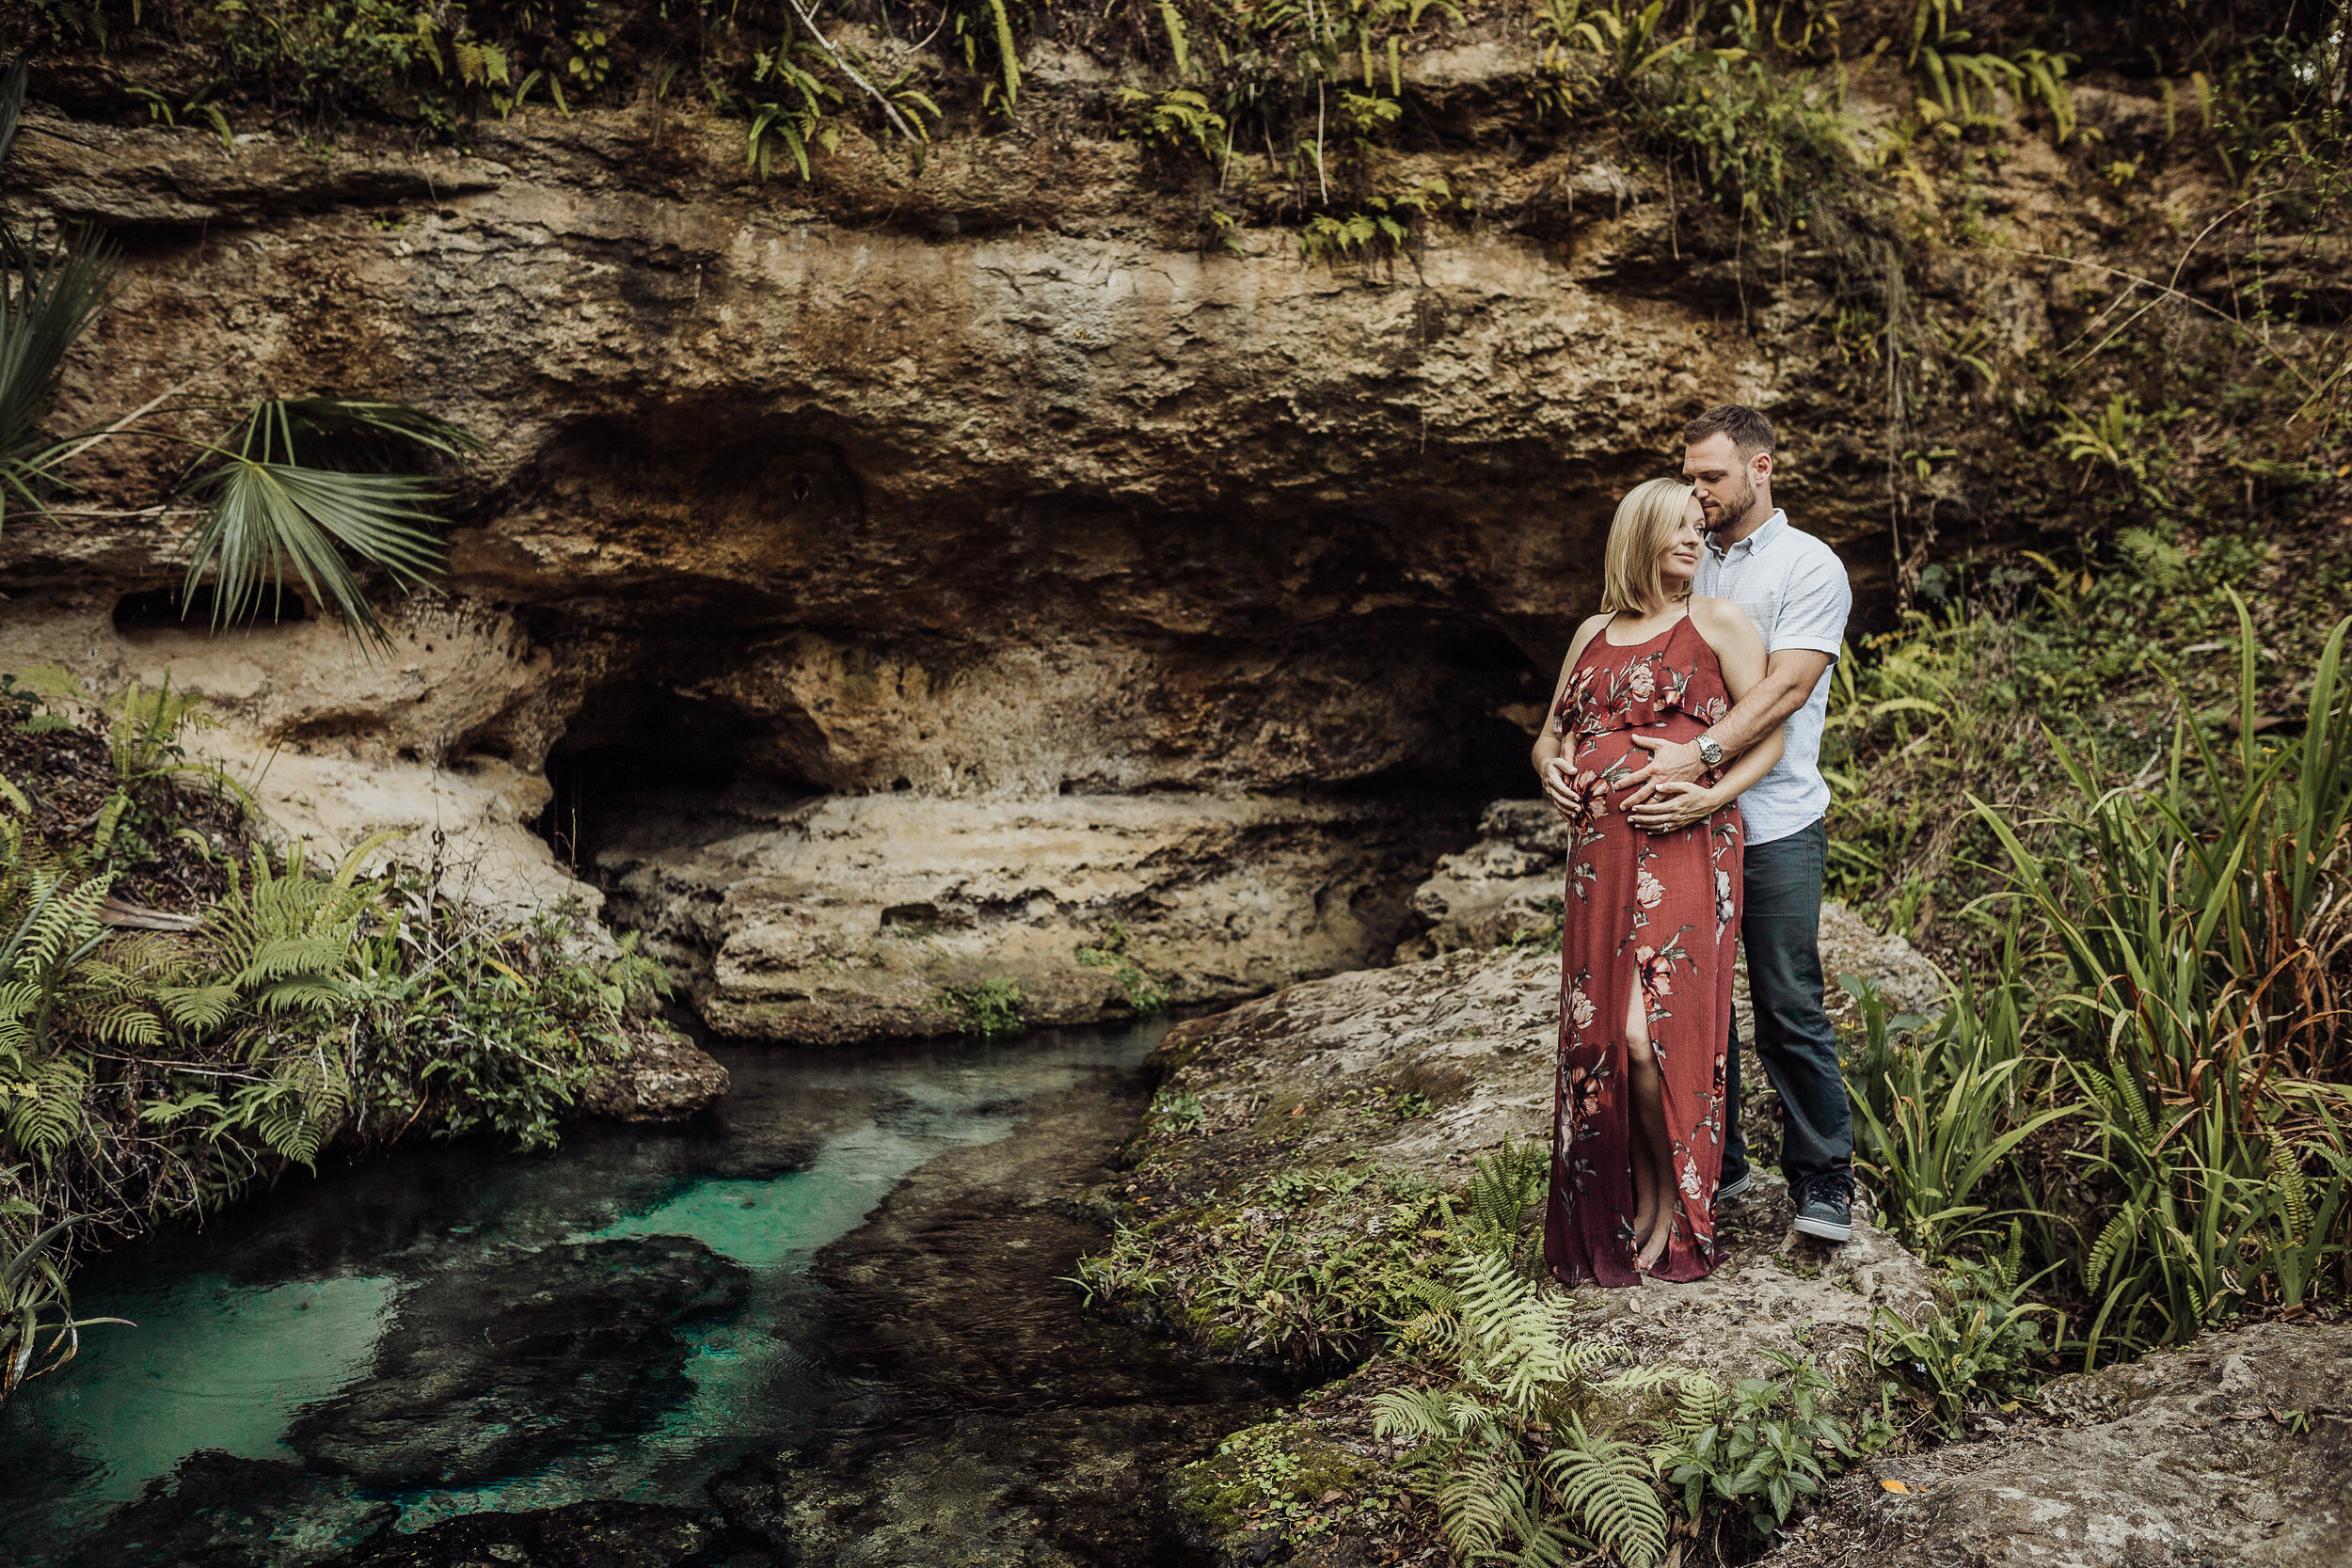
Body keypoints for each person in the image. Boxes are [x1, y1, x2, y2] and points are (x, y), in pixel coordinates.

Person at [1533, 478, 1782, 1284]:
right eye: (1676, 525)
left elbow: (1768, 739)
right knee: (1604, 1039)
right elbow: (1548, 739)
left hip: (1686, 844)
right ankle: (1627, 1201)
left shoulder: (1717, 621)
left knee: (1651, 1034)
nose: (1694, 536)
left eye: (1698, 525)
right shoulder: (1590, 633)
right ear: (1636, 534)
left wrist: (1710, 793)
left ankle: (1671, 1206)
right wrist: (1550, 771)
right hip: (1598, 862)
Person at [1621, 404, 1858, 1243]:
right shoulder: (1684, 553)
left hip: (1775, 818)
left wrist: (1700, 760)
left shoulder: (1809, 566)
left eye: (1711, 476)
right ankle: (1717, 1168)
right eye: (1689, 477)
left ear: (1762, 468)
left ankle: (1825, 1185)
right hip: (1681, 829)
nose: (1698, 492)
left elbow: (1786, 689)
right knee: (1695, 1003)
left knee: (1788, 1001)